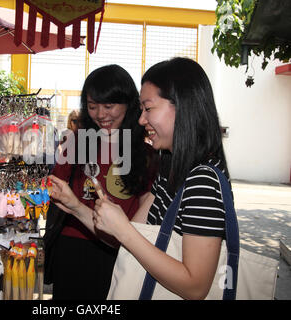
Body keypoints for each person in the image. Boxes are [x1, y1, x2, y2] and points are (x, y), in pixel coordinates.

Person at [50, 57, 231, 300]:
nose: (141, 119)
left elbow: (195, 287)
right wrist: (75, 206)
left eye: (148, 108)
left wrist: (123, 229)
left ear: (182, 105)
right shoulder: (170, 169)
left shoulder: (203, 181)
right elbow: (126, 240)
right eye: (142, 109)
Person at [47, 64, 158, 300]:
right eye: (93, 106)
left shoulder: (147, 153)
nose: (101, 114)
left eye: (109, 105)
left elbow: (146, 206)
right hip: (73, 243)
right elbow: (54, 185)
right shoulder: (76, 141)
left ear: (129, 104)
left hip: (120, 249)